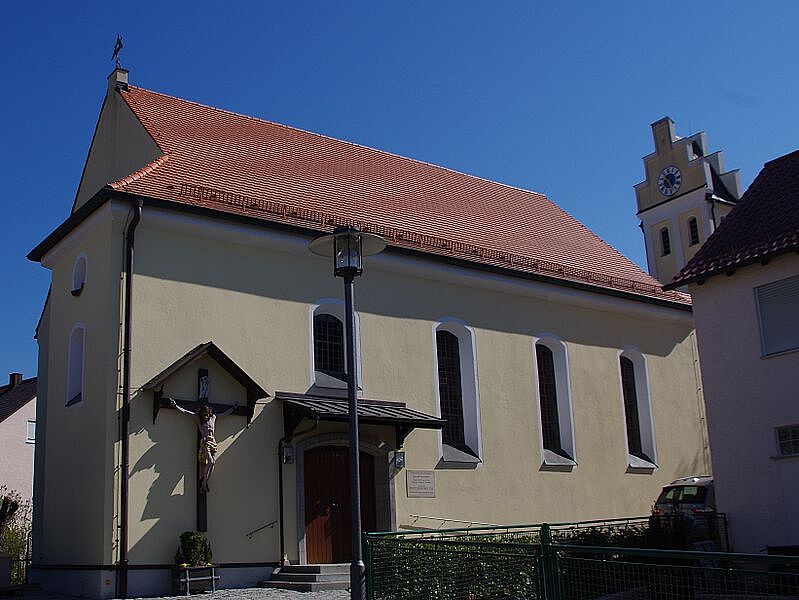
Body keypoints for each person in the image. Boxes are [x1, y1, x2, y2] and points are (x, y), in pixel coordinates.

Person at [170, 399, 237, 493]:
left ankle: (204, 483)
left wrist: (233, 408)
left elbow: (224, 414)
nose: (205, 416)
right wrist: (175, 406)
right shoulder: (198, 418)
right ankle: (204, 482)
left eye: (206, 414)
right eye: (203, 415)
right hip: (205, 442)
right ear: (201, 414)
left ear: (209, 413)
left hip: (213, 441)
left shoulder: (213, 417)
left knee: (213, 464)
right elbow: (186, 412)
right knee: (210, 462)